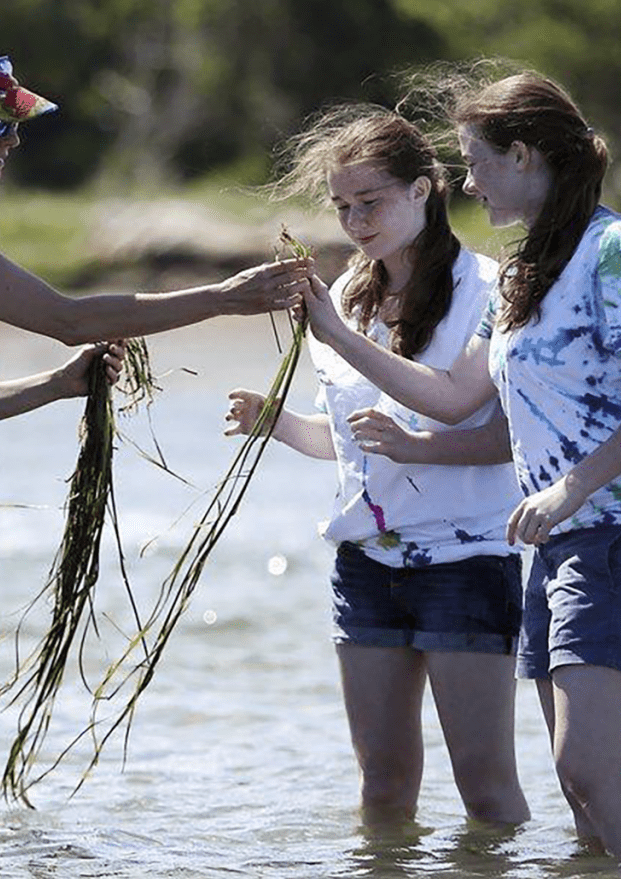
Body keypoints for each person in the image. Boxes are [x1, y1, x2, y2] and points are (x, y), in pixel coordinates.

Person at [0, 35, 308, 853]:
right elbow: (69, 316)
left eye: (13, 125)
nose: (10, 140)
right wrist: (222, 300)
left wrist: (52, 387)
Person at [301, 71, 621, 860]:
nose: (468, 182)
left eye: (477, 162)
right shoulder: (523, 272)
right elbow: (454, 398)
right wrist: (335, 330)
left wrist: (570, 487)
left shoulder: (616, 251)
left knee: (587, 762)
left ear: (522, 156)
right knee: (576, 782)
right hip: (557, 541)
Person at [225, 104, 530, 826]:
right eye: (342, 207)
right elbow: (357, 443)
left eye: (373, 201)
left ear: (425, 189)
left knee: (485, 790)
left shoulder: (490, 290)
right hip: (365, 562)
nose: (357, 221)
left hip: (469, 558)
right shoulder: (350, 296)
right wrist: (277, 425)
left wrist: (332, 331)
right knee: (383, 786)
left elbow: (499, 431)